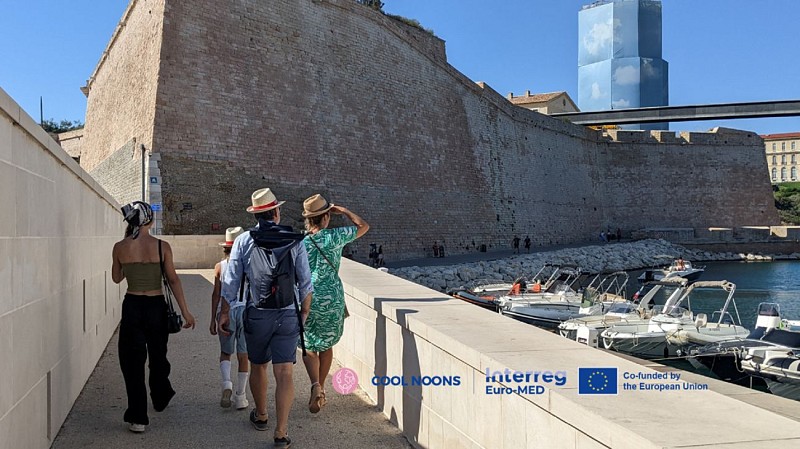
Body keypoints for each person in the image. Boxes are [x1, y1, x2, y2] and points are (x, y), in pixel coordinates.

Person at [220, 188, 313, 448]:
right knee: (284, 372)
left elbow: (231, 282)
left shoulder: (243, 240)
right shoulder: (294, 239)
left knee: (258, 365)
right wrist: (304, 312)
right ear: (276, 212)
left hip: (257, 313)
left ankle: (261, 415)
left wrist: (224, 313)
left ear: (256, 215)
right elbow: (306, 282)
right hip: (288, 312)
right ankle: (281, 432)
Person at [111, 201, 196, 434]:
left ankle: (138, 417)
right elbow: (173, 280)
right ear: (149, 220)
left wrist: (129, 263)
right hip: (156, 306)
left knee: (132, 361)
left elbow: (116, 278)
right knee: (158, 355)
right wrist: (185, 311)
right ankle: (160, 396)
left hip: (132, 305)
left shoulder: (119, 247)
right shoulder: (162, 246)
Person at [301, 194, 369, 414]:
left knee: (309, 345)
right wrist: (345, 211)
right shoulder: (334, 237)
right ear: (326, 217)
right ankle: (321, 389)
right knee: (326, 344)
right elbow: (363, 226)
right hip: (332, 297)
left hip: (308, 297)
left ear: (308, 219)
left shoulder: (302, 242)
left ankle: (315, 385)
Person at [210, 226, 249, 410]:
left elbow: (216, 295)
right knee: (244, 355)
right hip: (245, 310)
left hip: (226, 312)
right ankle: (241, 396)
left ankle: (227, 383)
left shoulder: (219, 267)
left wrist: (213, 319)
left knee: (226, 352)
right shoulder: (247, 266)